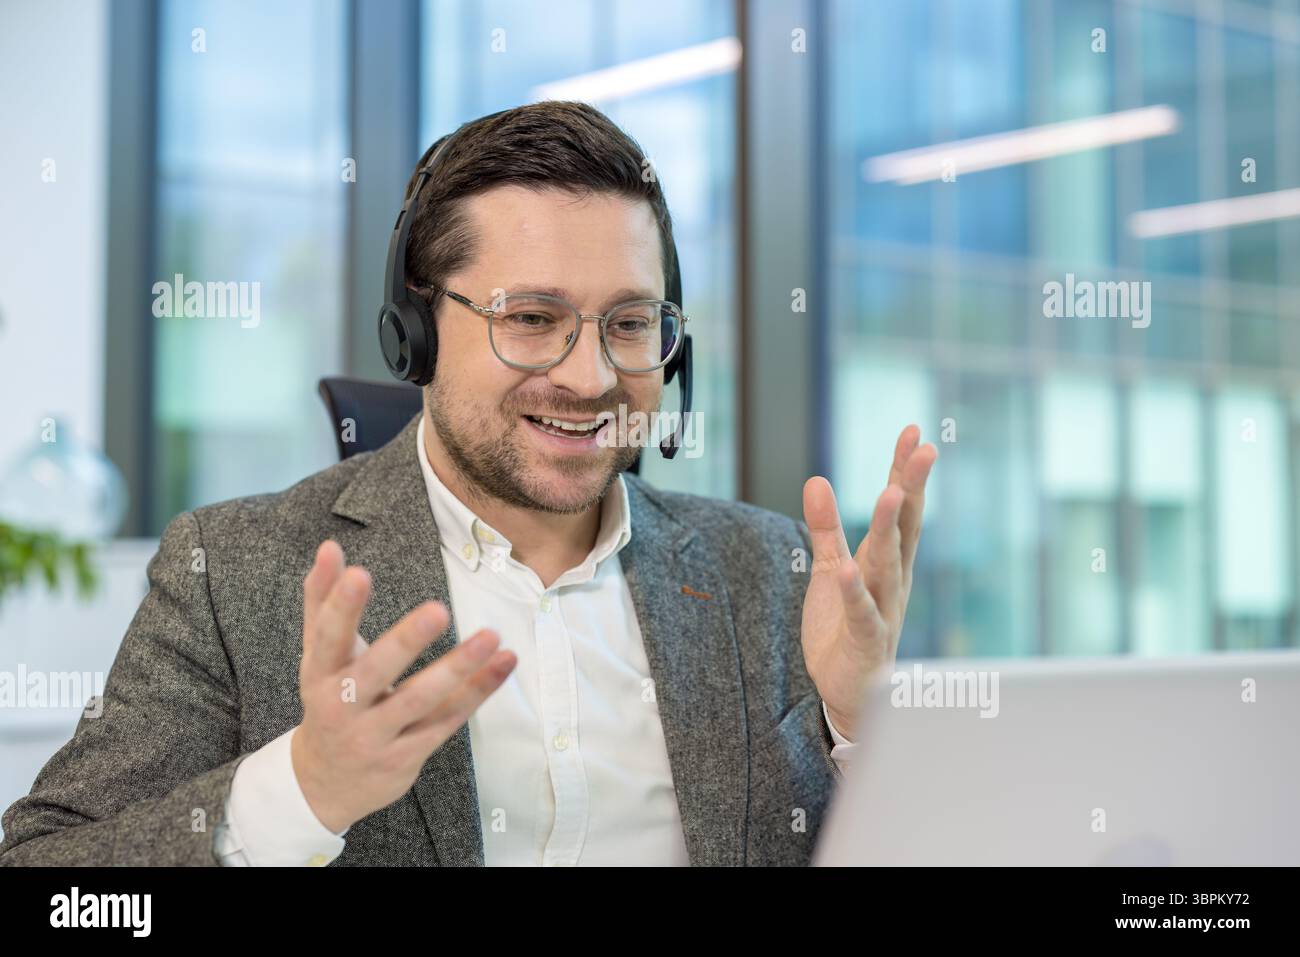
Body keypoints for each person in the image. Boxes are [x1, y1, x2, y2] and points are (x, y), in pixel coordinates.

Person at [0, 101, 935, 866]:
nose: (590, 376)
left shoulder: (766, 568)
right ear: (414, 331)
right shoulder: (231, 570)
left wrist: (862, 735)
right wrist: (298, 790)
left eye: (630, 321)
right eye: (532, 317)